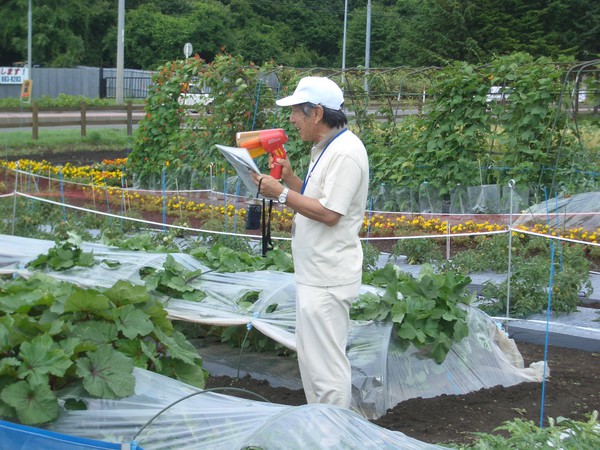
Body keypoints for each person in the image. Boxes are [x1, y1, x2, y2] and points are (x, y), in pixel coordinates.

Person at [251, 77, 369, 408]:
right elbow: (319, 198)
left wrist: (282, 194)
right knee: (313, 366)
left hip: (328, 279)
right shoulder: (325, 148)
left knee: (327, 372)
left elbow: (331, 214)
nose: (291, 120)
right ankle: (322, 431)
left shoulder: (346, 153)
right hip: (315, 275)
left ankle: (334, 437)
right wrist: (289, 180)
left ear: (316, 113)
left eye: (296, 112)